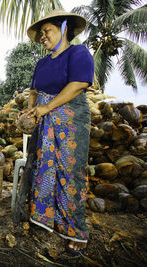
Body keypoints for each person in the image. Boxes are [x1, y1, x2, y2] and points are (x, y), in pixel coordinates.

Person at [24, 10, 94, 254]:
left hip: (71, 121)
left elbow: (79, 84)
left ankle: (75, 230)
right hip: (45, 123)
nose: (43, 37)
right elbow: (33, 90)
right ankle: (45, 218)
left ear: (64, 28)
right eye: (40, 34)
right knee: (44, 169)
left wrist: (48, 107)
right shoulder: (42, 63)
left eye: (47, 31)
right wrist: (30, 111)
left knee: (70, 171)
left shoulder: (78, 53)